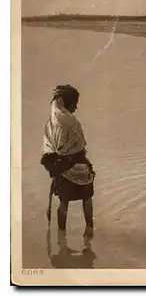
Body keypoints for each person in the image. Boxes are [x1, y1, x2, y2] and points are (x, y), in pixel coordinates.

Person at [40, 85, 95, 239]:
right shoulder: (71, 121)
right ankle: (89, 230)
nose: (76, 108)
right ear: (69, 104)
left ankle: (61, 236)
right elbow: (80, 144)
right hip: (78, 166)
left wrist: (58, 161)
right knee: (87, 198)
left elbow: (49, 147)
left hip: (61, 167)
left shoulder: (51, 123)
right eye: (74, 104)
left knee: (64, 203)